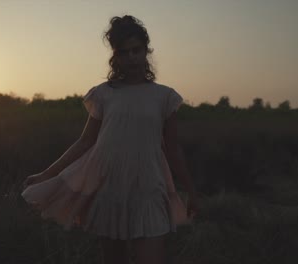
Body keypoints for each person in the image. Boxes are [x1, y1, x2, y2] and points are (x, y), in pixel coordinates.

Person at [21, 14, 199, 264]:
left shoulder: (164, 97)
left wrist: (191, 191)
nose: (131, 57)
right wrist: (46, 175)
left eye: (136, 50)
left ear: (146, 50)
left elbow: (173, 148)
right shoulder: (104, 95)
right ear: (115, 56)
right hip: (110, 189)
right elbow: (85, 142)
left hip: (149, 189)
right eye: (124, 52)